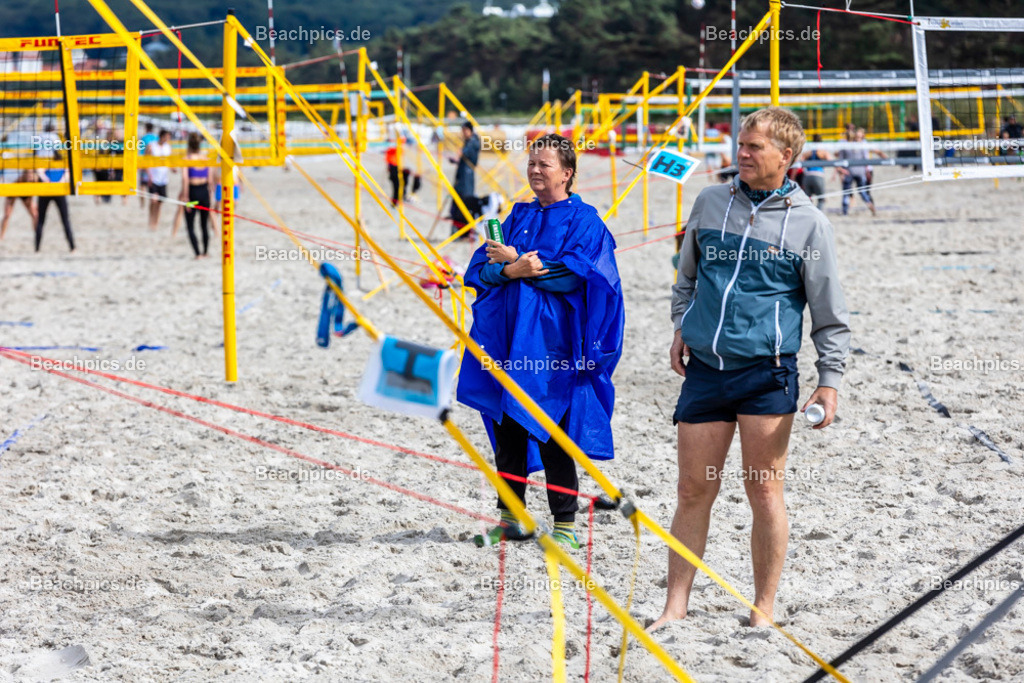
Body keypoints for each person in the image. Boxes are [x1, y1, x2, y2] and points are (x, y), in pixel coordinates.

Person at [650, 107, 850, 631]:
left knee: (763, 490)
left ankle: (763, 608)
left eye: (754, 146)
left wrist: (829, 382)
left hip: (768, 372)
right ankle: (674, 608)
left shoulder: (810, 223)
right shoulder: (710, 201)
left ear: (786, 156)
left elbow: (828, 314)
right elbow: (686, 278)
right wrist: (681, 327)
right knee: (693, 490)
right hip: (706, 371)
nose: (741, 153)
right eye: (740, 144)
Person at [457, 133, 625, 549]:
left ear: (566, 173)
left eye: (544, 164)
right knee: (507, 425)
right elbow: (479, 269)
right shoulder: (516, 215)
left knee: (552, 428)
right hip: (507, 339)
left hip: (554, 344)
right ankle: (511, 518)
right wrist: (511, 270)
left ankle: (565, 525)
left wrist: (523, 265)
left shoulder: (585, 221)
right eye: (531, 163)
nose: (534, 170)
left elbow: (579, 275)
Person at [179, 132, 214, 258]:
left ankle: (198, 253)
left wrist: (186, 196)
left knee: (190, 225)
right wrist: (210, 194)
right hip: (204, 193)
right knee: (204, 224)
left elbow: (185, 179)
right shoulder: (205, 158)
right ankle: (205, 252)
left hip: (192, 193)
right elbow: (210, 180)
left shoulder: (186, 159)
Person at [448, 121, 481, 237]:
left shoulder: (473, 141)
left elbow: (466, 153)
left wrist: (460, 154)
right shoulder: (468, 141)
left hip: (467, 177)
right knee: (457, 202)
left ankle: (466, 232)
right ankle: (459, 230)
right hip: (461, 176)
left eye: (465, 130)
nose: (463, 133)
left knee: (465, 202)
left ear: (470, 130)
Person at [837, 128, 875, 216]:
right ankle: (870, 204)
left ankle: (845, 212)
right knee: (862, 191)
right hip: (860, 171)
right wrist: (867, 171)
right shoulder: (860, 145)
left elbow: (841, 160)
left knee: (846, 192)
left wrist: (842, 172)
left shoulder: (844, 146)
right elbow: (866, 160)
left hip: (848, 171)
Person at [146, 129, 172, 230]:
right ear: (162, 136)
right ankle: (151, 220)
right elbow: (145, 160)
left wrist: (173, 168)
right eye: (167, 137)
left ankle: (155, 223)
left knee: (159, 203)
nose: (168, 139)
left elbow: (169, 161)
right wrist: (149, 175)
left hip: (163, 179)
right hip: (153, 177)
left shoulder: (168, 147)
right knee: (153, 200)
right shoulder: (151, 145)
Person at [1, 170, 38, 239]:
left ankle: (37, 235)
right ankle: (1, 236)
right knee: (7, 215)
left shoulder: (33, 175)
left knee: (35, 214)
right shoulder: (21, 173)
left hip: (24, 189)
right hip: (14, 188)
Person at [385, 135, 421, 206]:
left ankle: (402, 198)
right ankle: (395, 201)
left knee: (402, 183)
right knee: (397, 186)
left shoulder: (400, 148)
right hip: (394, 168)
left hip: (398, 167)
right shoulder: (393, 149)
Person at [800, 134, 830, 210]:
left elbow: (800, 162)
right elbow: (832, 162)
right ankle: (818, 215)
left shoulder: (808, 151)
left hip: (807, 176)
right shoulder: (823, 151)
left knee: (808, 199)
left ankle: (809, 215)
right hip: (818, 175)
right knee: (821, 199)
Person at [137, 122, 158, 208]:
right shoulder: (156, 137)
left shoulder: (144, 138)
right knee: (152, 184)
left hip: (144, 162)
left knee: (142, 185)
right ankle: (151, 201)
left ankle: (142, 203)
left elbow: (140, 151)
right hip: (153, 163)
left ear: (146, 128)